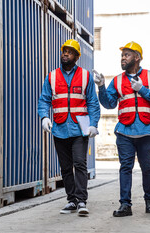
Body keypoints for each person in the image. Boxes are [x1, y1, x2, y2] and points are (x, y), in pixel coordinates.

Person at [93, 41, 150, 217]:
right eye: (122, 55)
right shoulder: (117, 80)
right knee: (125, 167)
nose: (123, 58)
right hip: (125, 131)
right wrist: (102, 87)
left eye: (127, 55)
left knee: (146, 166)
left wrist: (142, 90)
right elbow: (109, 104)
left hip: (146, 130)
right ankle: (125, 205)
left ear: (137, 58)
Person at [38, 39, 100, 216]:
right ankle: (71, 200)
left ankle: (81, 201)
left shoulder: (85, 76)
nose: (65, 54)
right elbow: (44, 100)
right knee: (65, 167)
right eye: (64, 51)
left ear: (77, 56)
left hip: (80, 129)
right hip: (59, 128)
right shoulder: (52, 76)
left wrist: (94, 124)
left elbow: (93, 103)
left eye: (70, 52)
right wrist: (44, 117)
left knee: (79, 163)